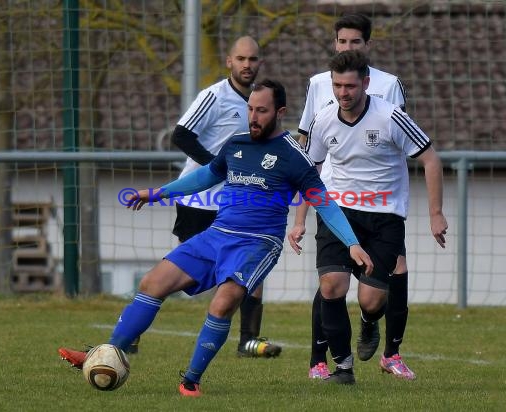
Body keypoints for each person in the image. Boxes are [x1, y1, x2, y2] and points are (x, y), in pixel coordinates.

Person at [58, 79, 374, 397]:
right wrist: (157, 193)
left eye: (261, 111)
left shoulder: (294, 156)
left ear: (280, 112)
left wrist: (352, 243)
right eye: (250, 108)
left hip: (258, 243)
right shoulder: (236, 144)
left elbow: (325, 203)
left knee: (222, 304)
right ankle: (106, 352)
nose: (253, 116)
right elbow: (205, 175)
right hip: (215, 235)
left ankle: (191, 381)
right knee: (152, 283)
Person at [289, 50, 448, 383]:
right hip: (337, 212)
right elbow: (311, 172)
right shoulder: (324, 118)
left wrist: (436, 214)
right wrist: (300, 219)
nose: (343, 93)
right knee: (331, 285)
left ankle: (370, 320)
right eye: (337, 85)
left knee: (372, 300)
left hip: (383, 217)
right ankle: (343, 369)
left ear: (365, 83)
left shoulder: (390, 117)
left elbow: (431, 160)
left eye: (349, 86)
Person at [133, 35, 281, 358]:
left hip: (236, 203)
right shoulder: (214, 96)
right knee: (181, 278)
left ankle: (248, 340)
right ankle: (133, 328)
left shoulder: (261, 104)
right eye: (240, 59)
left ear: (259, 63)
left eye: (253, 60)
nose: (247, 65)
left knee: (250, 270)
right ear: (229, 61)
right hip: (198, 202)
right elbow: (181, 135)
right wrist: (217, 168)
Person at [297, 13, 409, 380]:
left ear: (367, 46)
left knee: (382, 283)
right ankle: (322, 361)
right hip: (333, 198)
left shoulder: (390, 86)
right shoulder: (318, 84)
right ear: (335, 44)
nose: (348, 47)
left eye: (355, 42)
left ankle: (385, 344)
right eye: (342, 41)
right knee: (331, 281)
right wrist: (300, 212)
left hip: (381, 201)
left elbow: (401, 141)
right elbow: (307, 146)